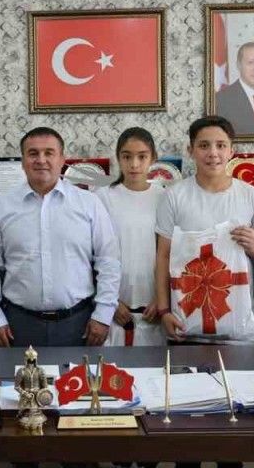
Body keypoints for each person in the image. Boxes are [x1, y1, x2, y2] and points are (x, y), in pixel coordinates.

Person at [0, 127, 121, 347]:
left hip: (79, 325)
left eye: (49, 153)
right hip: (17, 326)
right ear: (23, 161)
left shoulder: (89, 204)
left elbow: (108, 261)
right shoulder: (1, 206)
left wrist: (103, 314)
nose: (41, 160)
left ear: (62, 159)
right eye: (33, 153)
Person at [154, 116, 254, 342]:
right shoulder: (174, 196)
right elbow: (163, 255)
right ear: (191, 150)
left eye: (221, 145)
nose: (213, 153)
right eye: (204, 145)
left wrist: (253, 244)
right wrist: (164, 310)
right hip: (185, 317)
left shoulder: (251, 196)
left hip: (237, 318)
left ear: (232, 151)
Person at [94, 127, 165, 346]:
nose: (134, 164)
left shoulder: (164, 197)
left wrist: (162, 299)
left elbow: (171, 253)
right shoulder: (102, 198)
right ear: (118, 158)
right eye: (127, 157)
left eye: (142, 157)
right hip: (113, 308)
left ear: (153, 158)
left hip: (153, 309)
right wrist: (110, 300)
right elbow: (92, 253)